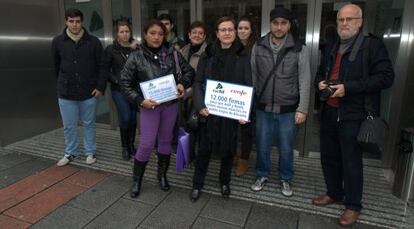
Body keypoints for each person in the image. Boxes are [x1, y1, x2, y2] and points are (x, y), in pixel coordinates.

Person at [312, 4, 394, 227]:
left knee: (351, 161)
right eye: (341, 20)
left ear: (360, 22)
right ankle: (334, 193)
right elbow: (321, 72)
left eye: (349, 19)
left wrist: (349, 87)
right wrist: (319, 83)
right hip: (329, 109)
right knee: (328, 156)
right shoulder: (331, 45)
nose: (344, 23)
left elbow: (386, 77)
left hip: (354, 114)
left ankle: (353, 205)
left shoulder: (372, 45)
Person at [120, 19, 194, 198]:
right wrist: (139, 100)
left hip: (170, 105)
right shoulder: (136, 56)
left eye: (160, 34)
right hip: (149, 107)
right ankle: (137, 180)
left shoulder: (173, 53)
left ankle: (162, 176)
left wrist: (182, 84)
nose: (156, 37)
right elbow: (124, 82)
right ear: (145, 34)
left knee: (166, 141)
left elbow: (189, 72)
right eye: (152, 33)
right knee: (145, 144)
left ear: (165, 36)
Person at [250, 7, 311, 197]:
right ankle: (262, 174)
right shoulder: (258, 46)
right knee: (262, 145)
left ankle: (286, 178)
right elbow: (253, 77)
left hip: (288, 110)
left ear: (289, 25)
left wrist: (302, 109)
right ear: (270, 24)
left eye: (283, 23)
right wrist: (248, 106)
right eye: (275, 23)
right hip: (263, 108)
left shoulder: (300, 48)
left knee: (286, 148)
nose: (279, 27)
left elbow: (305, 80)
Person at [190, 16, 252, 202]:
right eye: (223, 30)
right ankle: (197, 184)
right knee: (204, 151)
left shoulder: (243, 55)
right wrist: (199, 105)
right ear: (217, 34)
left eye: (230, 30)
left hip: (230, 113)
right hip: (209, 112)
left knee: (228, 150)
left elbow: (247, 85)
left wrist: (244, 112)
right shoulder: (207, 54)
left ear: (235, 32)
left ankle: (225, 182)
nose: (227, 33)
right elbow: (198, 81)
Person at [52, 8, 106, 167]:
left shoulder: (94, 42)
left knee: (89, 123)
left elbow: (102, 66)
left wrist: (100, 87)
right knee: (69, 126)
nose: (74, 25)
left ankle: (90, 152)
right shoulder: (58, 41)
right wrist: (61, 84)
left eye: (77, 21)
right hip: (66, 92)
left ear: (82, 22)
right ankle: (71, 153)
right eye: (71, 21)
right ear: (66, 22)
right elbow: (56, 66)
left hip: (88, 91)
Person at [104, 20, 139, 161]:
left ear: (130, 33)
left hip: (134, 89)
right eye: (121, 32)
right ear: (117, 34)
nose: (125, 34)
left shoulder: (136, 48)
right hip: (118, 89)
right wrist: (116, 80)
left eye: (127, 31)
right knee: (125, 117)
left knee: (132, 118)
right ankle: (125, 147)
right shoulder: (111, 49)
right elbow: (105, 70)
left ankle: (131, 145)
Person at [179, 21, 208, 161]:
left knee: (197, 127)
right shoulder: (182, 50)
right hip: (182, 93)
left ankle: (198, 158)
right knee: (185, 125)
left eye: (200, 33)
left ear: (204, 36)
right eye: (194, 32)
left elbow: (203, 78)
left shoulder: (208, 52)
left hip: (198, 95)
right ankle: (187, 155)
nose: (197, 35)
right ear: (189, 34)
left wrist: (188, 92)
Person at [234, 16, 258, 177]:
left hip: (249, 94)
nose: (242, 31)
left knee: (246, 130)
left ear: (251, 30)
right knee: (232, 128)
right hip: (232, 94)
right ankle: (234, 155)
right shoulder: (232, 46)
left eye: (246, 28)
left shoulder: (256, 48)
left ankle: (244, 159)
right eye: (240, 28)